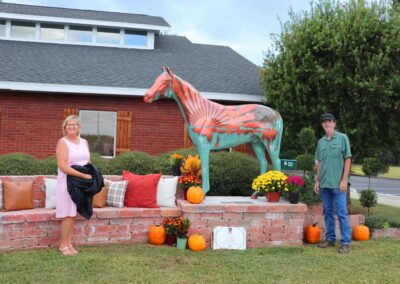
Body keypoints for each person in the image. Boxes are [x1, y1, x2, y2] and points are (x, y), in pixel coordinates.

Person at [314, 113, 352, 254]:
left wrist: (344, 179)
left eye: (329, 121)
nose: (327, 124)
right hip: (324, 184)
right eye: (324, 122)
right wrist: (317, 180)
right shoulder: (321, 142)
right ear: (322, 125)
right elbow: (319, 162)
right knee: (328, 212)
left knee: (341, 212)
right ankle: (330, 239)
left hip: (338, 184)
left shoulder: (342, 138)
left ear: (334, 123)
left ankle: (345, 242)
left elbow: (347, 158)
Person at [56, 115, 91, 255]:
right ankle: (63, 245)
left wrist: (91, 175)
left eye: (74, 125)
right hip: (67, 181)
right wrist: (83, 175)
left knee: (74, 213)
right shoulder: (62, 142)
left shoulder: (85, 142)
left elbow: (87, 162)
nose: (71, 127)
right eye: (68, 125)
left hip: (80, 183)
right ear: (65, 128)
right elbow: (63, 166)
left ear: (79, 128)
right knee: (68, 213)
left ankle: (69, 243)